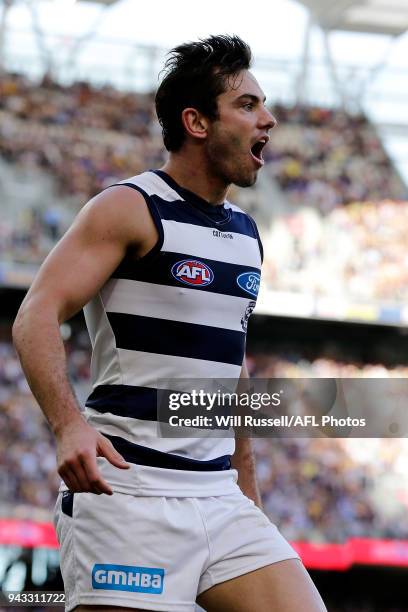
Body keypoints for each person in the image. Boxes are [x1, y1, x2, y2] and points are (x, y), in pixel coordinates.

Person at [13, 34, 326, 612]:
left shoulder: (246, 234)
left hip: (218, 497)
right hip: (129, 494)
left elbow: (229, 381)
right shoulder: (129, 207)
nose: (270, 119)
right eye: (248, 105)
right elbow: (35, 315)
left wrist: (247, 494)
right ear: (197, 122)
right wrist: (67, 425)